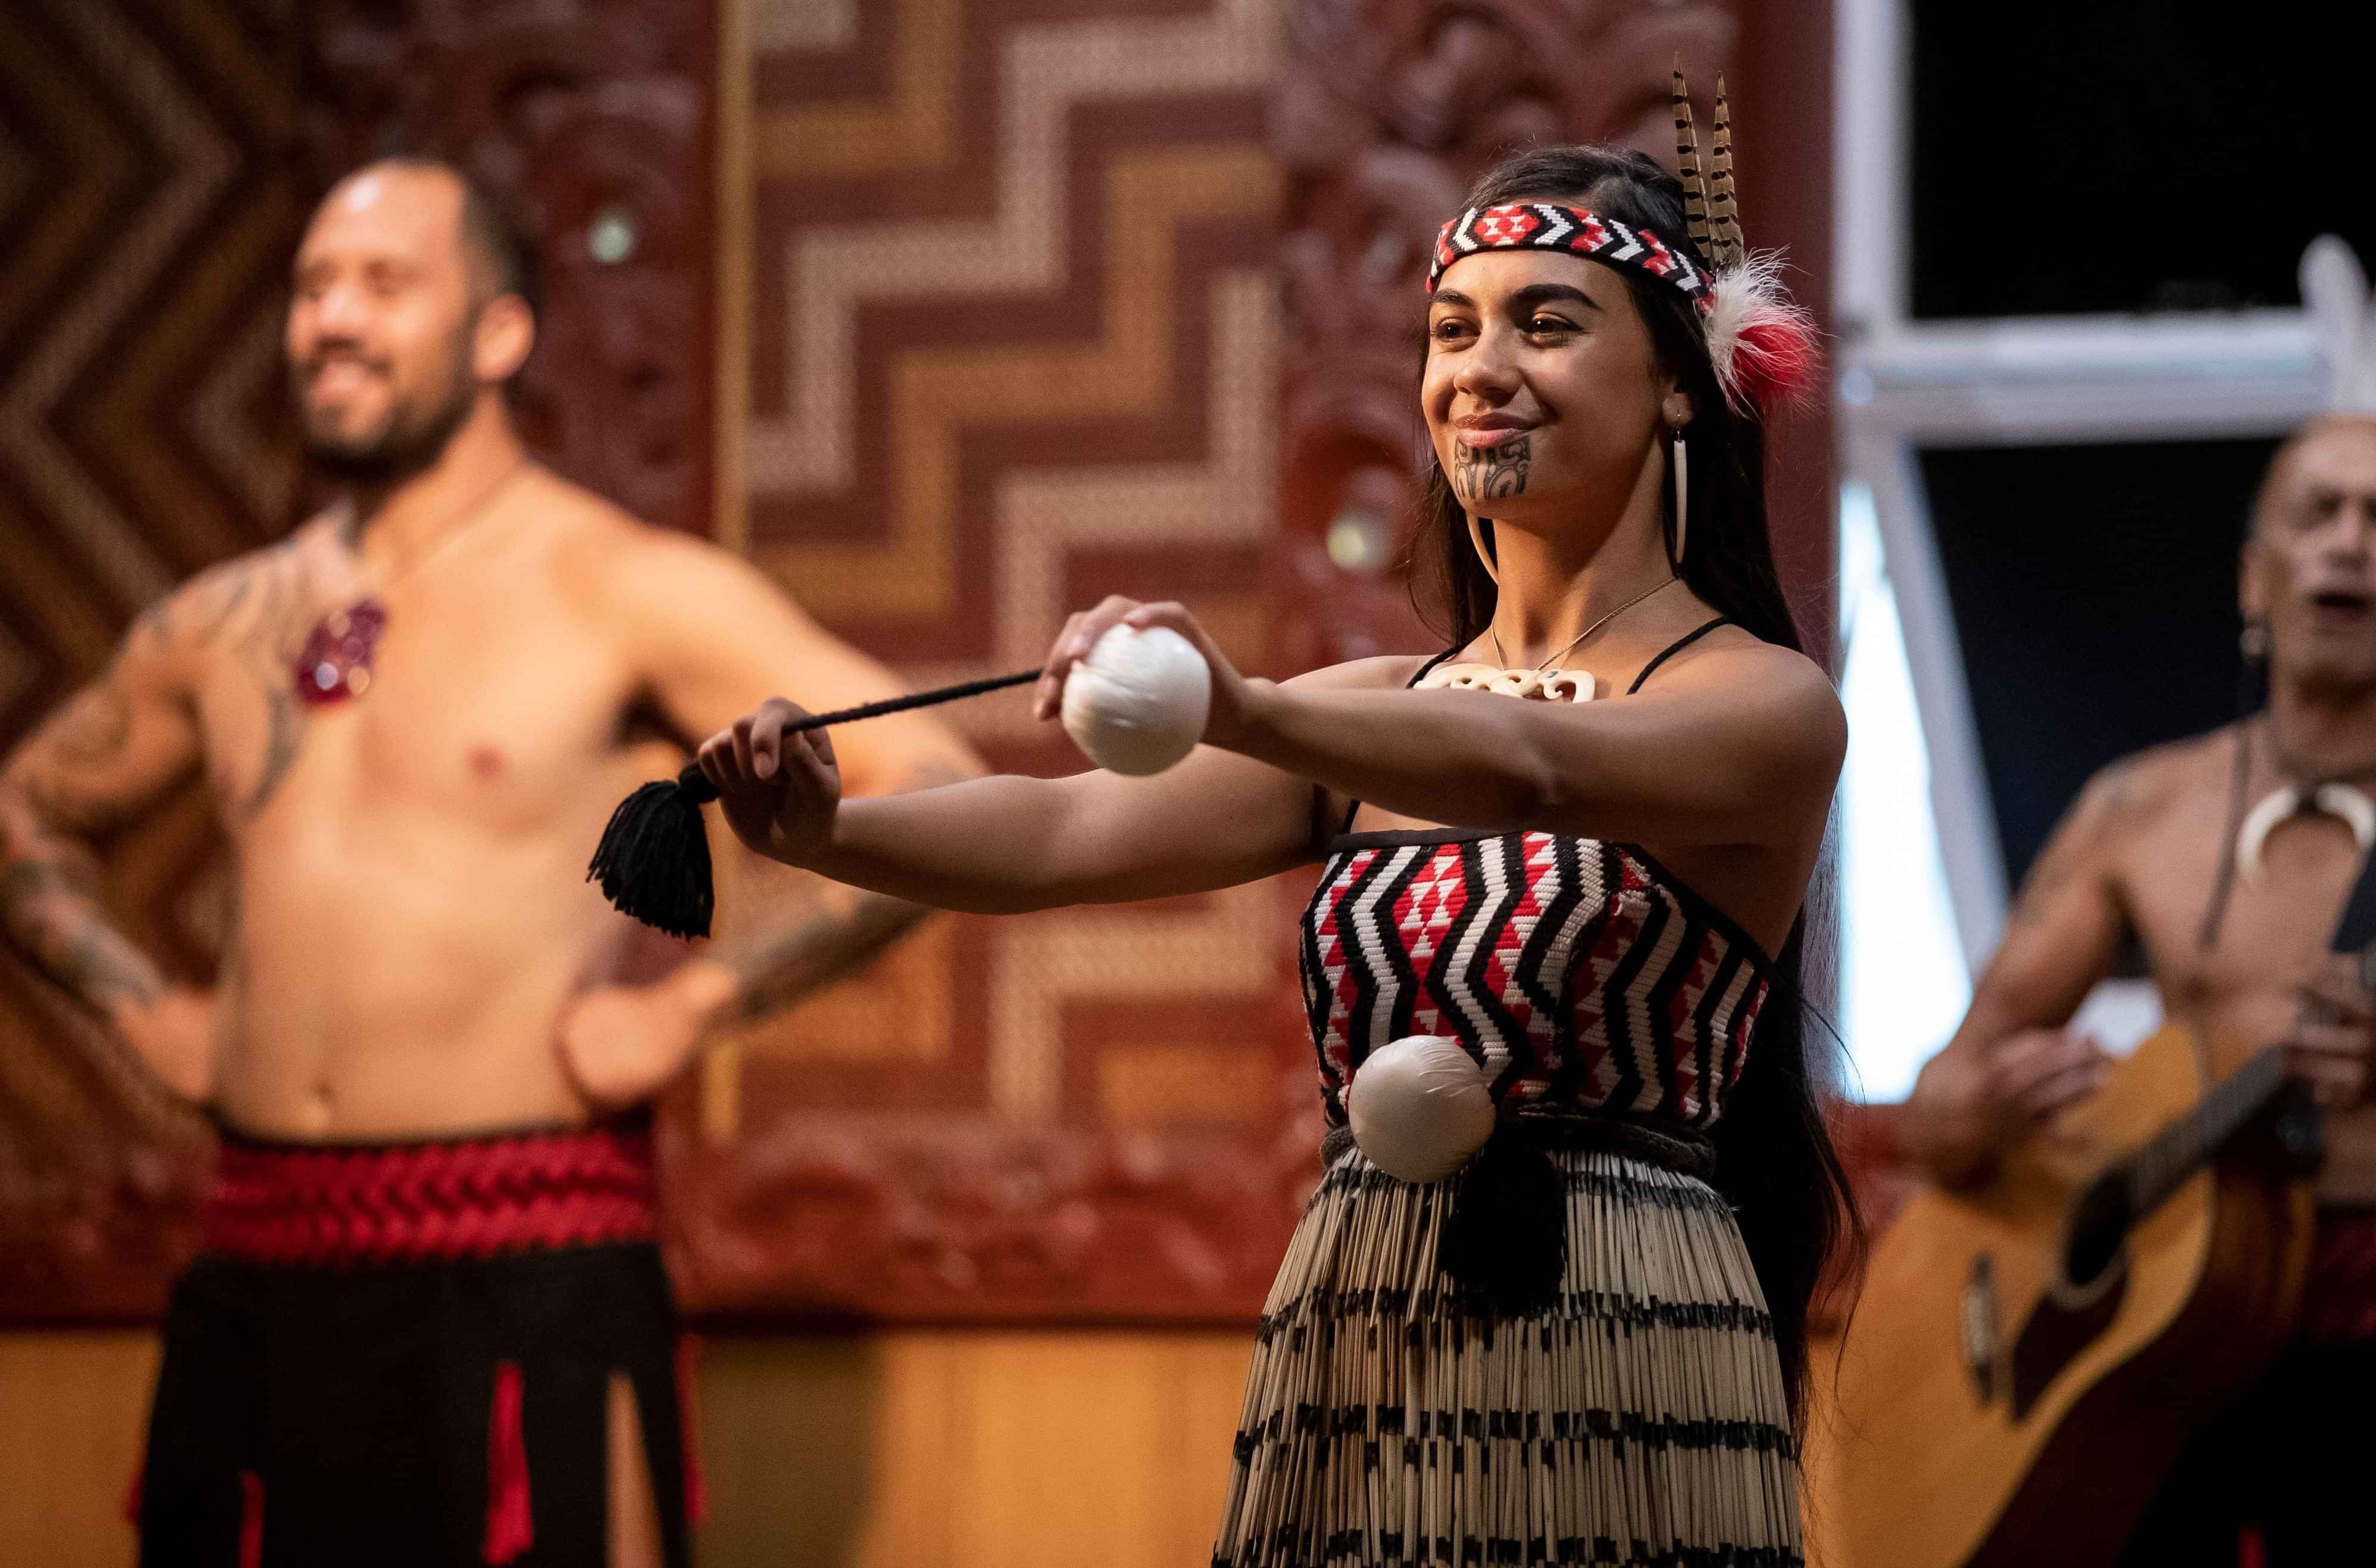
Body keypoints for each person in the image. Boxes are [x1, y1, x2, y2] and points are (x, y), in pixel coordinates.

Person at [694, 137, 1855, 1565]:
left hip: (1624, 1317)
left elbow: (1538, 766)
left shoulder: (1765, 705)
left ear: (1682, 380)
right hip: (1367, 1318)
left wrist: (1242, 706)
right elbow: (1064, 826)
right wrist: (827, 828)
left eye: (1547, 323)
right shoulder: (1377, 712)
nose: (1481, 370)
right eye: (1453, 330)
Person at [0, 159, 976, 1567]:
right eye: (313, 288)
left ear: (501, 332)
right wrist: (137, 1005)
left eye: (384, 284)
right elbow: (23, 813)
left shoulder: (615, 585)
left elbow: (934, 778)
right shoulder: (223, 622)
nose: (333, 319)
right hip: (261, 1257)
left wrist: (698, 1005)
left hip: (530, 1255)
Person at [1893, 415, 2376, 1567]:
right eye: (2316, 513)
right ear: (2256, 578)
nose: (2348, 543)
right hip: (2175, 1385)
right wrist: (1980, 1114)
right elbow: (1938, 1102)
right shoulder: (2136, 810)